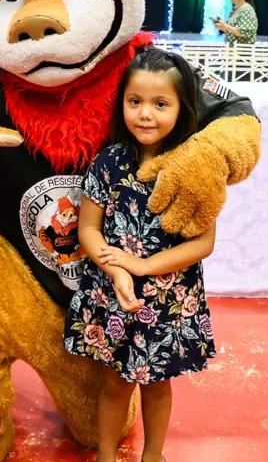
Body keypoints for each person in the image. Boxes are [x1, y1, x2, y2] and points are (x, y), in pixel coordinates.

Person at [63, 47, 216, 462]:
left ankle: (153, 456)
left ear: (183, 108)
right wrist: (117, 269)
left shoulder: (193, 166)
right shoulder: (109, 162)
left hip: (169, 297)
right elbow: (88, 229)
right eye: (135, 101)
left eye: (160, 104)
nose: (145, 114)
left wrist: (144, 266)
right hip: (114, 292)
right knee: (114, 384)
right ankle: (106, 456)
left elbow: (203, 243)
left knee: (158, 384)